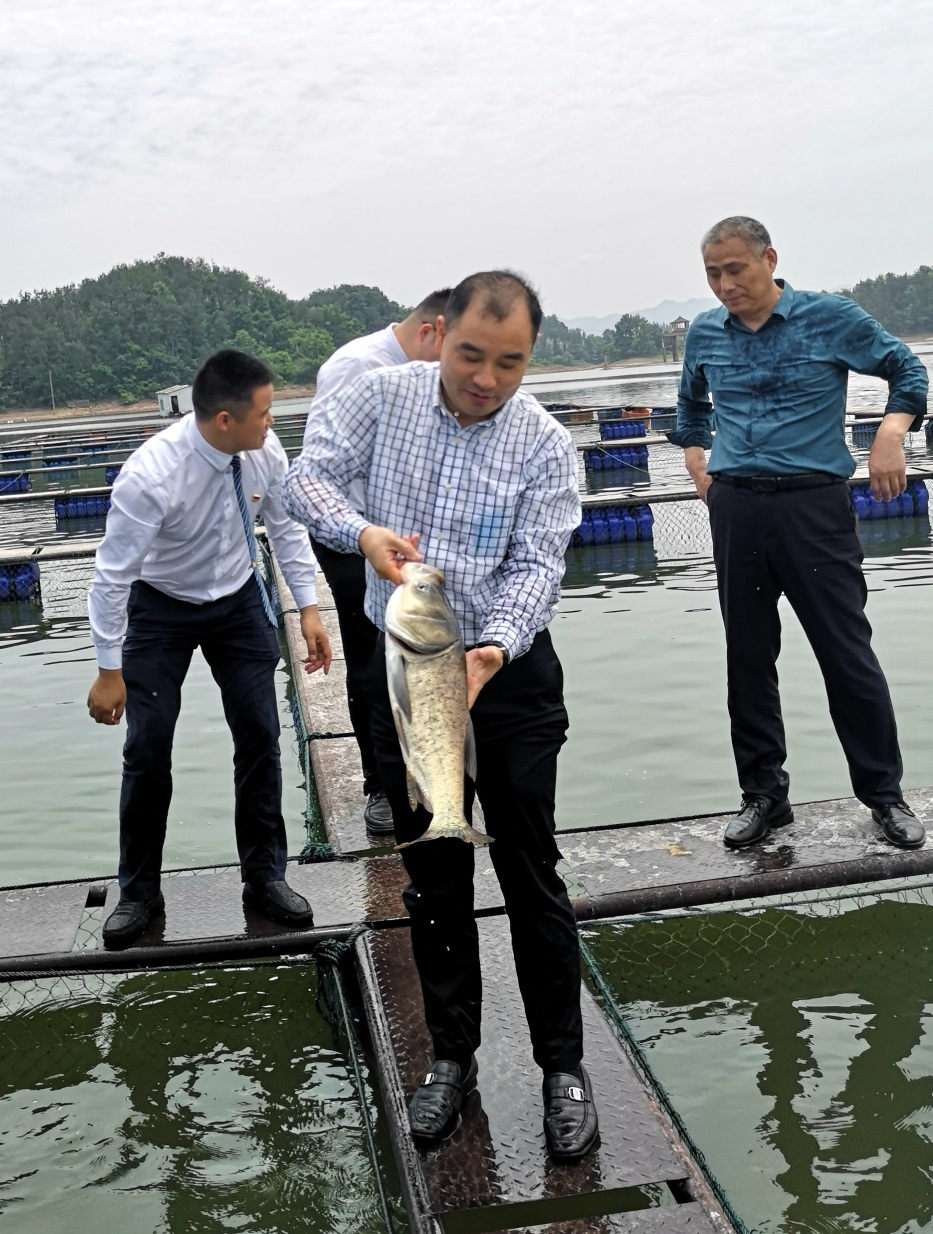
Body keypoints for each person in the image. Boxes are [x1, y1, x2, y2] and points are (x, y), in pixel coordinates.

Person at [284, 272, 598, 1160]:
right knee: (435, 873)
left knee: (533, 868)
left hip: (510, 676)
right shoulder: (380, 399)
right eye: (470, 354)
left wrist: (490, 648)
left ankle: (561, 1068)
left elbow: (539, 565)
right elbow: (307, 482)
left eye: (510, 362)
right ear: (436, 334)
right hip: (410, 674)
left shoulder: (543, 443)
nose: (486, 379)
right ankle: (449, 1059)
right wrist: (361, 534)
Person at [669, 217, 929, 851]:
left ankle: (884, 796)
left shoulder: (828, 317)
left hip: (814, 507)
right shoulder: (705, 331)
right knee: (748, 659)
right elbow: (690, 408)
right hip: (737, 509)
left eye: (735, 269)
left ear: (769, 259)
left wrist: (892, 434)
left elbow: (908, 371)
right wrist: (699, 460)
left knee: (846, 653)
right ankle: (763, 797)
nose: (725, 284)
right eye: (712, 274)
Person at [87, 349, 333, 950]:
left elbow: (286, 526)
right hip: (161, 604)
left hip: (237, 597)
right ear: (224, 420)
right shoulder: (151, 476)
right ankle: (139, 892)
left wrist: (307, 607)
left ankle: (264, 877)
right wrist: (108, 669)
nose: (272, 423)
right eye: (265, 413)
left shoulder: (261, 452)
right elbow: (112, 576)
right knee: (148, 745)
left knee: (259, 731)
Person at [306, 289, 451, 838]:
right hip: (351, 537)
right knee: (371, 657)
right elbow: (323, 474)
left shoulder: (421, 374)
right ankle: (379, 785)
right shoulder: (357, 368)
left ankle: (425, 772)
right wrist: (364, 532)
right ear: (432, 330)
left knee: (413, 657)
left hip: (402, 540)